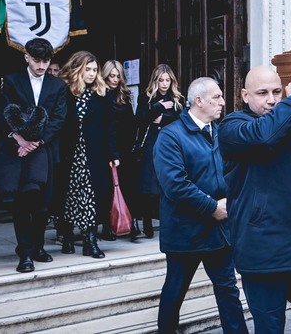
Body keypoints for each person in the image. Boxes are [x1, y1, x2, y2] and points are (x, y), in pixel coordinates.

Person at [218, 65, 291, 333]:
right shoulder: (232, 126)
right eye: (263, 93)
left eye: (277, 91)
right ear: (245, 95)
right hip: (262, 253)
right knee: (269, 328)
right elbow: (264, 135)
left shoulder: (289, 123)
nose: (272, 99)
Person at [153, 77, 248, 333]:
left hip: (218, 233)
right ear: (198, 101)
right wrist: (211, 207)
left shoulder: (219, 132)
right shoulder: (170, 136)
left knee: (228, 289)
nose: (222, 102)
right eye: (216, 97)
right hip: (185, 232)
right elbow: (175, 185)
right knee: (175, 290)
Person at [0, 38, 67, 273]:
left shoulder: (58, 86)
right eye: (37, 60)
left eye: (46, 61)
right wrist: (20, 140)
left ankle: (37, 246)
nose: (41, 66)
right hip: (16, 150)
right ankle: (25, 252)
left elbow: (58, 119)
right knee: (21, 203)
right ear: (26, 57)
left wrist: (36, 141)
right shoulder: (12, 80)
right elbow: (2, 112)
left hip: (43, 149)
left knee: (43, 205)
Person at [56, 51, 120, 259]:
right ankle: (66, 234)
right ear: (77, 69)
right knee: (68, 195)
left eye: (95, 70)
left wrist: (112, 153)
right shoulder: (64, 92)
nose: (92, 74)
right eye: (88, 69)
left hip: (94, 154)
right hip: (70, 154)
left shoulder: (102, 95)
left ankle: (90, 240)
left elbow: (111, 127)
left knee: (92, 196)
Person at [135, 63, 183, 238]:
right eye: (161, 80)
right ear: (155, 80)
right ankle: (147, 224)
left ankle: (168, 223)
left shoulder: (177, 98)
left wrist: (162, 118)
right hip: (150, 143)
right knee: (148, 185)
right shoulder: (146, 97)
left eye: (167, 80)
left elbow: (181, 118)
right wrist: (158, 109)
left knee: (168, 184)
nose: (164, 84)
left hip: (170, 145)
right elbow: (140, 119)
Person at [101, 59, 141, 241]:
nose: (115, 79)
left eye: (118, 76)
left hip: (125, 147)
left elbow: (131, 122)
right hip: (107, 147)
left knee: (128, 185)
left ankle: (130, 222)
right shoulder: (101, 94)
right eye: (112, 75)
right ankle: (108, 225)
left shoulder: (124, 95)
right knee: (109, 187)